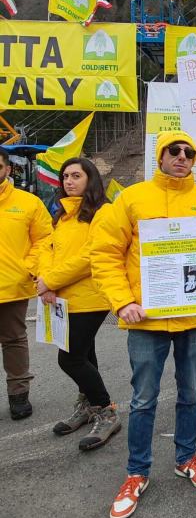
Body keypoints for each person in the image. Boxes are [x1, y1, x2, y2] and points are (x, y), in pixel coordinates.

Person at [91, 131, 196, 518]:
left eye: (189, 152)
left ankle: (187, 456)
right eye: (174, 151)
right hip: (146, 320)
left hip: (193, 316)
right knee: (143, 398)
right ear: (160, 156)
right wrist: (123, 301)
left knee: (190, 391)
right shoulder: (132, 198)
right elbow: (105, 254)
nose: (182, 157)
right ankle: (136, 472)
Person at [36, 157, 121, 449]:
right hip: (64, 297)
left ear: (91, 179)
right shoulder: (62, 214)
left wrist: (52, 281)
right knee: (85, 354)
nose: (68, 181)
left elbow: (91, 256)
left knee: (69, 358)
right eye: (65, 177)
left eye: (76, 176)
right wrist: (46, 279)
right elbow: (48, 247)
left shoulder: (104, 212)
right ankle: (88, 407)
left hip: (92, 296)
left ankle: (105, 409)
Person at [0, 148, 52, 420]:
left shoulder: (29, 203)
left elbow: (44, 239)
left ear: (7, 169)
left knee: (14, 341)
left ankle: (18, 395)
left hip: (11, 287)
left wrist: (28, 267)